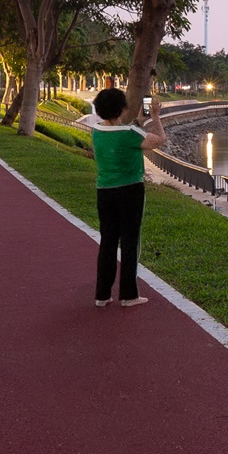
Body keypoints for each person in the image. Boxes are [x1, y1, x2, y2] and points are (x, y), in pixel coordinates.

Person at [89, 87, 147, 307]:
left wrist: (138, 123)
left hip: (104, 191)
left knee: (108, 241)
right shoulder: (130, 133)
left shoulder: (96, 130)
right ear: (122, 108)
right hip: (130, 190)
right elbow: (158, 139)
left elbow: (118, 138)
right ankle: (129, 295)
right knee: (130, 242)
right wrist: (156, 118)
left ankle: (102, 296)